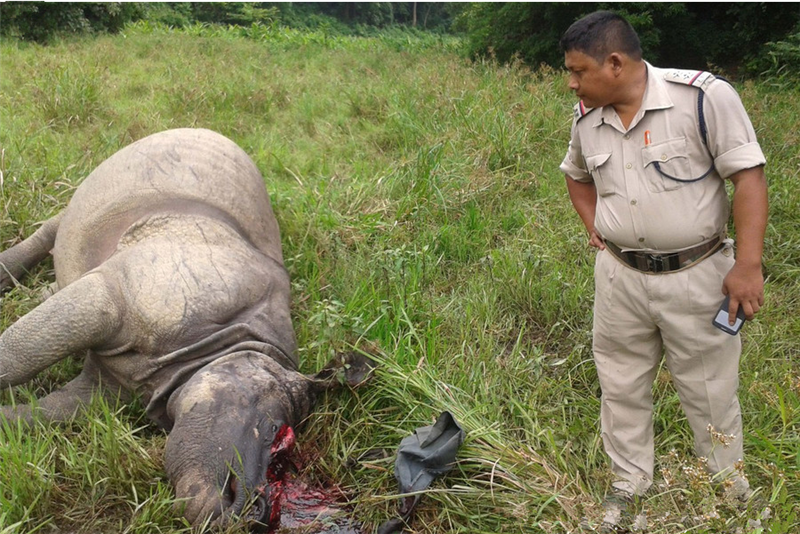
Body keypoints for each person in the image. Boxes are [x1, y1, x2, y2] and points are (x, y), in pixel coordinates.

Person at [558, 10, 768, 532]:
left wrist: (747, 264)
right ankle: (628, 488)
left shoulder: (702, 98)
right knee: (620, 384)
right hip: (619, 280)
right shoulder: (588, 116)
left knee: (709, 389)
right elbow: (577, 177)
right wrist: (596, 229)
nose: (571, 83)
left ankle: (727, 496)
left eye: (578, 71)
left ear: (614, 63)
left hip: (696, 275)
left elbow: (749, 177)